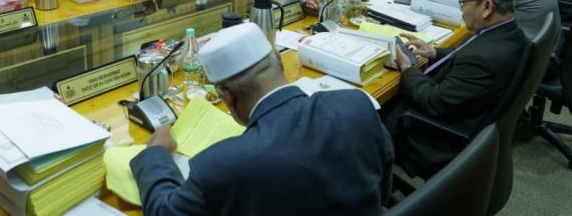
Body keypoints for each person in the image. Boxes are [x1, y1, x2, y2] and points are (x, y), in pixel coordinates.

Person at [130, 22, 394, 215]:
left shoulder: (220, 164)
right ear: (278, 58)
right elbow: (382, 188)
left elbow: (164, 212)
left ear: (226, 94)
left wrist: (155, 154)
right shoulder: (357, 104)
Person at [383, 0, 528, 178]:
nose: (461, 9)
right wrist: (434, 52)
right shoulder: (509, 33)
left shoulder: (484, 59)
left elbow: (434, 101)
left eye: (464, 1)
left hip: (432, 133)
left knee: (366, 111)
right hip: (465, 114)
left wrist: (407, 69)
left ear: (487, 7)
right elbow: (467, 54)